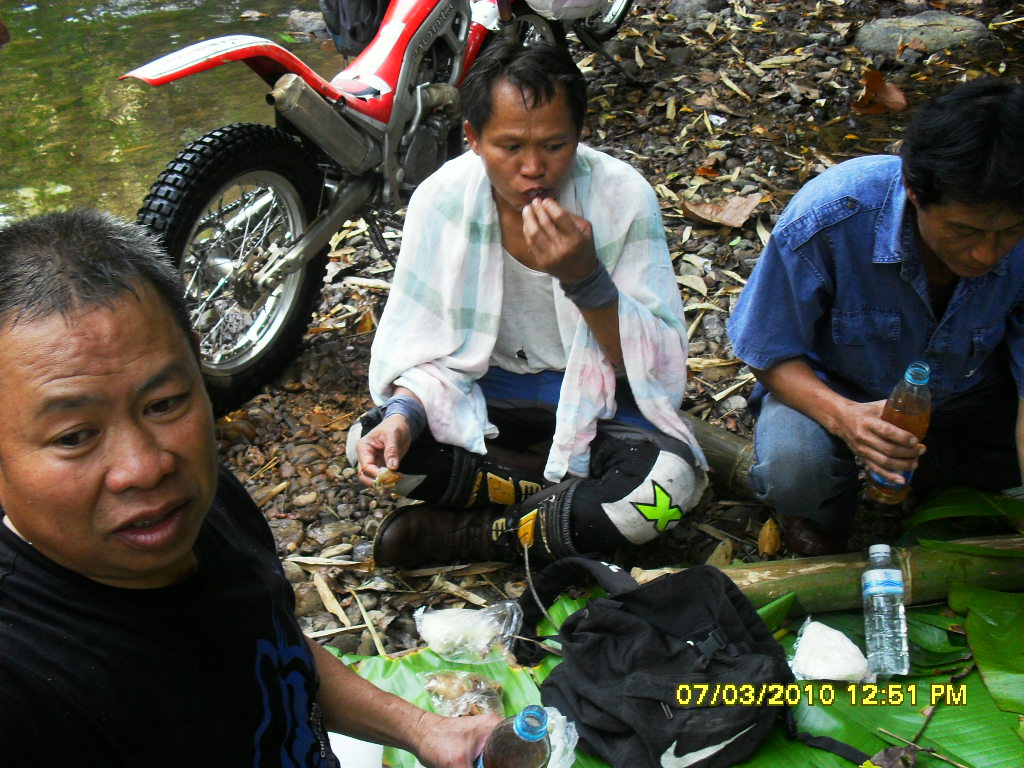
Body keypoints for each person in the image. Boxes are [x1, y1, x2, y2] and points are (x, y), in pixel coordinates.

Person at [0, 209, 499, 766]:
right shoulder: (23, 689)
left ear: (197, 363)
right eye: (74, 436)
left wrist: (423, 729)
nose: (145, 467)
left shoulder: (202, 502)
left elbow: (269, 648)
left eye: (163, 403)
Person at [348, 38, 708, 568]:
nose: (534, 168)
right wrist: (402, 416)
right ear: (473, 138)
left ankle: (477, 534)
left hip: (600, 401)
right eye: (510, 147)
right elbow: (423, 347)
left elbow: (652, 368)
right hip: (492, 393)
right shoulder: (441, 201)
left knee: (664, 488)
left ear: (580, 134)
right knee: (371, 439)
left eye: (555, 145)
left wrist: (586, 279)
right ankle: (555, 496)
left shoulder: (622, 197)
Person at [727, 78, 1024, 556]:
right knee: (795, 470)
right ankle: (826, 514)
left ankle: (944, 478)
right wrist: (845, 418)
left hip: (971, 395)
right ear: (914, 190)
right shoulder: (830, 218)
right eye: (964, 231)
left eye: (1009, 232)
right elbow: (767, 351)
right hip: (837, 388)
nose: (986, 254)